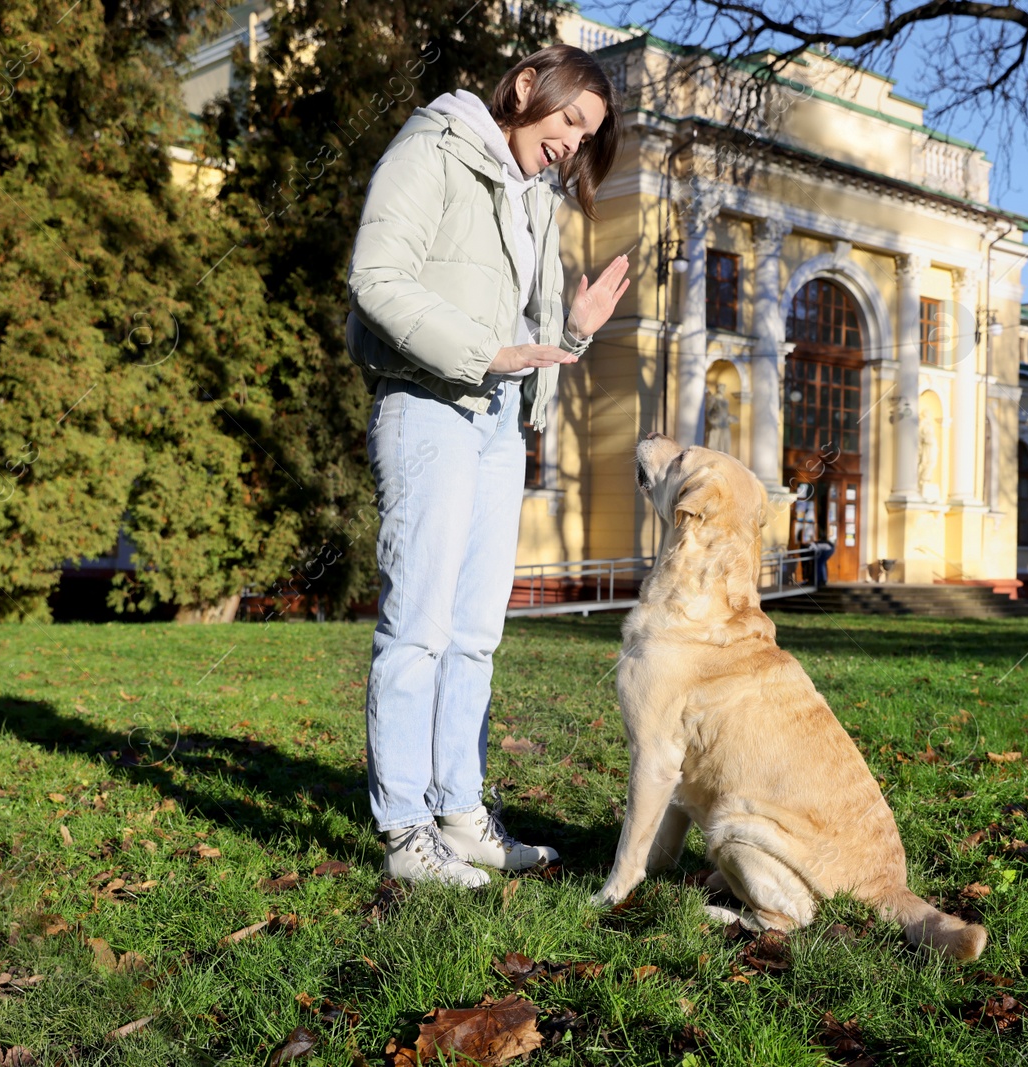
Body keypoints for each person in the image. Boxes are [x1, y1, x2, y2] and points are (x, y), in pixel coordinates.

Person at [344, 46, 628, 888]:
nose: (573, 143)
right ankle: (404, 829)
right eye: (572, 119)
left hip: (501, 423)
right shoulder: (434, 144)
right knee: (419, 627)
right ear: (529, 86)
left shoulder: (535, 197)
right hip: (428, 406)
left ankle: (459, 811)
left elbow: (526, 342)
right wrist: (485, 352)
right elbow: (376, 278)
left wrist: (571, 332)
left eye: (589, 136)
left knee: (474, 635)